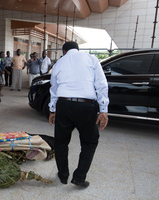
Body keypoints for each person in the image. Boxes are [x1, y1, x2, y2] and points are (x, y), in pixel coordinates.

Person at [48, 41, 109, 188]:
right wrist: (103, 110)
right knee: (89, 142)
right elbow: (101, 84)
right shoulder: (91, 59)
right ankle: (79, 177)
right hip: (86, 106)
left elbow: (54, 88)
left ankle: (63, 176)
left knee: (61, 142)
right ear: (77, 49)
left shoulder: (59, 63)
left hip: (64, 105)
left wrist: (52, 110)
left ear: (64, 51)